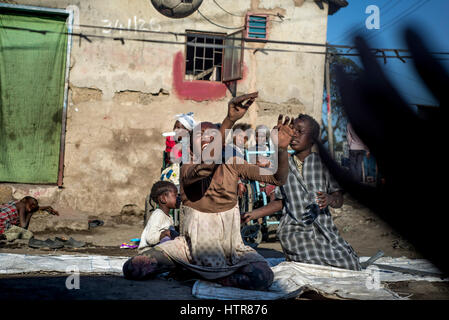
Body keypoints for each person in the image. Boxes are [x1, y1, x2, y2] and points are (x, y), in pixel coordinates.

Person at [123, 92, 295, 291]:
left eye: (211, 136)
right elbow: (206, 165)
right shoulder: (188, 164)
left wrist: (281, 150)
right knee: (134, 268)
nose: (206, 139)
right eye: (200, 136)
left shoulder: (233, 162)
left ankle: (196, 276)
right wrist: (229, 119)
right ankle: (196, 272)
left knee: (263, 277)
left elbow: (277, 178)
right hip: (187, 249)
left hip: (230, 250)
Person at [316, 28, 449, 274]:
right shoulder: (352, 128)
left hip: (360, 150)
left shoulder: (354, 127)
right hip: (358, 150)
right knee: (357, 174)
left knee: (359, 174)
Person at [242, 114, 362, 271]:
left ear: (312, 139)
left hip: (323, 229)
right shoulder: (283, 166)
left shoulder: (323, 165)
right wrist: (253, 214)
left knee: (349, 265)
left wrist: (330, 198)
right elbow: (280, 201)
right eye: (293, 131)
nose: (294, 135)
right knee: (311, 265)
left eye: (300, 131)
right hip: (294, 230)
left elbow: (339, 199)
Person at [138, 181, 180, 253]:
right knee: (167, 241)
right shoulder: (158, 215)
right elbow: (150, 238)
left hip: (156, 250)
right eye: (175, 196)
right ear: (163, 199)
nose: (178, 198)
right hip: (147, 251)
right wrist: (165, 233)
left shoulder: (169, 217)